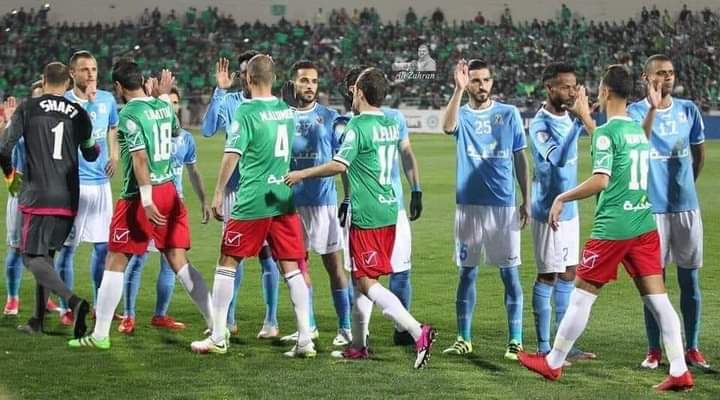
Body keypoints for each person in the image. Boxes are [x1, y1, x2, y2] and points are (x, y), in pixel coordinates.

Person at [518, 65, 694, 392]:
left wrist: (562, 197)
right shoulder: (635, 130)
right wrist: (642, 112)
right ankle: (679, 370)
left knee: (581, 298)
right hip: (643, 225)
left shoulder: (607, 133)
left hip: (613, 229)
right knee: (659, 302)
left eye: (599, 86)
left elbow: (601, 180)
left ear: (606, 91)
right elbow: (623, 141)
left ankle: (553, 362)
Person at [285, 67, 436, 369]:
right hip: (389, 208)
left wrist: (302, 173)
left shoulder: (357, 126)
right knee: (362, 278)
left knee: (366, 282)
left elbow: (340, 165)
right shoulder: (389, 124)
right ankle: (358, 345)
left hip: (366, 213)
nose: (351, 94)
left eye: (355, 90)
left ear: (361, 94)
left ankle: (417, 330)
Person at [69, 62, 214, 350]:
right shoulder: (163, 106)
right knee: (179, 260)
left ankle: (100, 335)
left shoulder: (129, 114)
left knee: (116, 260)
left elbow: (139, 158)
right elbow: (175, 131)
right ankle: (216, 325)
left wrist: (146, 201)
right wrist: (162, 97)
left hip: (139, 196)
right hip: (170, 190)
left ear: (119, 87)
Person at [190, 54, 314, 357]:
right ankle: (305, 340)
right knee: (291, 268)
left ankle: (218, 336)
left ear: (248, 79)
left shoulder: (246, 111)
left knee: (227, 261)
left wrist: (218, 192)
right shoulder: (285, 110)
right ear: (274, 79)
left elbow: (232, 153)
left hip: (253, 198)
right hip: (281, 196)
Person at [441, 59, 529, 360]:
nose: (482, 86)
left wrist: (526, 199)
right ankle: (463, 338)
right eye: (476, 80)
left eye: (486, 80)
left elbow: (520, 157)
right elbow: (447, 127)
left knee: (510, 275)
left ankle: (515, 340)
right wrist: (458, 89)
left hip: (503, 206)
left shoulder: (509, 113)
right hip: (468, 206)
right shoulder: (462, 114)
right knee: (466, 273)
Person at [0, 62, 96, 337]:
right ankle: (37, 320)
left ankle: (73, 302)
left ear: (43, 81)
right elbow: (91, 154)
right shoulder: (79, 113)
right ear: (67, 83)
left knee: (31, 257)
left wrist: (10, 176)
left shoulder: (29, 108)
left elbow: (4, 148)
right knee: (47, 256)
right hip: (68, 198)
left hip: (38, 195)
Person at [627, 54, 708, 369]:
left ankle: (693, 348)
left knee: (690, 281)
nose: (668, 77)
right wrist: (652, 107)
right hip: (650, 211)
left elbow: (698, 155)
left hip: (685, 208)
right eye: (661, 73)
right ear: (646, 78)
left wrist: (687, 185)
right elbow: (636, 146)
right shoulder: (635, 112)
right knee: (653, 285)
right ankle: (654, 349)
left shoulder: (688, 109)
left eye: (671, 72)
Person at [338, 66, 424, 346]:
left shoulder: (392, 118)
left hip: (393, 208)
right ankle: (362, 336)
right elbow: (345, 167)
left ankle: (403, 329)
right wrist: (347, 197)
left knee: (399, 271)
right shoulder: (348, 123)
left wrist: (416, 189)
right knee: (362, 275)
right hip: (366, 208)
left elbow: (406, 152)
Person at [119, 86, 211, 333]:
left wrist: (203, 200)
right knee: (138, 258)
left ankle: (160, 314)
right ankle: (129, 315)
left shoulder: (185, 138)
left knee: (170, 263)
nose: (171, 106)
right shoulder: (148, 129)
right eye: (167, 101)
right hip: (148, 201)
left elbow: (193, 171)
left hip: (173, 201)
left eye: (174, 102)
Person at [201, 51, 280, 338]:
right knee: (233, 254)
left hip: (266, 189)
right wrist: (219, 91)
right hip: (236, 190)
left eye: (250, 72)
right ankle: (229, 319)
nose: (247, 78)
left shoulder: (272, 105)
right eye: (243, 73)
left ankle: (271, 320)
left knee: (268, 255)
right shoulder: (232, 101)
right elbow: (208, 130)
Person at [528, 62, 596, 360]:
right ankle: (544, 347)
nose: (571, 92)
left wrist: (580, 120)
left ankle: (563, 345)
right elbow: (557, 159)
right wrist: (579, 124)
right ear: (549, 88)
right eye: (565, 86)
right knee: (548, 276)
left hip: (570, 211)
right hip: (548, 212)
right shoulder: (539, 124)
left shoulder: (569, 118)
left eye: (574, 86)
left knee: (569, 274)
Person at [280, 60, 349, 346]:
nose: (310, 86)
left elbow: (343, 163)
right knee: (298, 267)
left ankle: (346, 328)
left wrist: (348, 197)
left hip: (323, 204)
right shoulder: (281, 116)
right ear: (293, 83)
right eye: (304, 80)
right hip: (291, 205)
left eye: (314, 81)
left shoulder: (330, 117)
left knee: (334, 266)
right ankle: (308, 327)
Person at [54, 50, 120, 326]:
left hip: (101, 184)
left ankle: (99, 303)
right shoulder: (64, 103)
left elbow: (113, 127)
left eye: (93, 68)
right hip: (74, 185)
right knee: (68, 249)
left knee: (104, 248)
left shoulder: (107, 99)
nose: (91, 73)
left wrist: (114, 154)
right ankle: (66, 307)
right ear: (72, 74)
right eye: (84, 69)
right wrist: (88, 107)